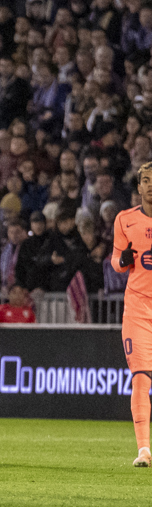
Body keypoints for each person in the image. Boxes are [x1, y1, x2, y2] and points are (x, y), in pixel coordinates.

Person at [111, 161, 152, 467]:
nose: (150, 185)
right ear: (139, 187)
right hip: (138, 309)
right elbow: (116, 263)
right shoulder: (125, 220)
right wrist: (122, 260)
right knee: (140, 378)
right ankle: (143, 449)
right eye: (146, 181)